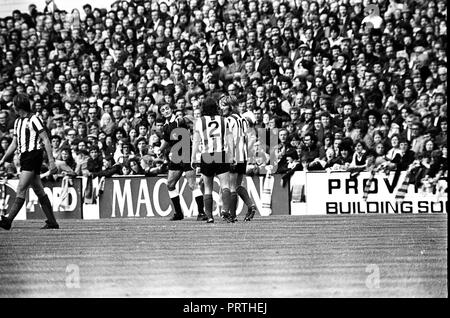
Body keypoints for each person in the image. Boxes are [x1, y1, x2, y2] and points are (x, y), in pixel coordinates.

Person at [0, 94, 59, 230]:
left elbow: (45, 139)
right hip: (25, 156)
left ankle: (8, 221)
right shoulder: (17, 122)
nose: (13, 108)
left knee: (21, 188)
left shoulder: (34, 119)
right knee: (38, 189)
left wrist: (51, 161)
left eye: (14, 105)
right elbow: (14, 143)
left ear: (18, 106)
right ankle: (52, 222)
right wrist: (3, 159)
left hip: (33, 155)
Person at [158, 103, 206, 221]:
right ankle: (179, 213)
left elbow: (195, 123)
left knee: (192, 184)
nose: (166, 111)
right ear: (162, 113)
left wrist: (197, 137)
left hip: (186, 154)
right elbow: (166, 140)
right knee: (170, 184)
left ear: (171, 109)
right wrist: (160, 149)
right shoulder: (165, 126)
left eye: (167, 108)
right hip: (175, 156)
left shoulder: (180, 120)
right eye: (163, 110)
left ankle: (201, 213)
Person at [191, 98, 234, 224]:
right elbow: (230, 139)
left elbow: (196, 141)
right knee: (225, 185)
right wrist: (232, 156)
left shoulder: (200, 121)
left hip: (206, 156)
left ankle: (209, 216)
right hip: (221, 154)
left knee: (208, 188)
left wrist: (193, 158)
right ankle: (225, 211)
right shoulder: (223, 120)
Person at [219, 95, 257, 222]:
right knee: (237, 185)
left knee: (231, 187)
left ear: (230, 106)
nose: (221, 108)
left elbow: (230, 140)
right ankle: (251, 206)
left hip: (234, 155)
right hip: (243, 155)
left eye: (223, 105)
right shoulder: (242, 119)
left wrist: (231, 156)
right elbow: (247, 138)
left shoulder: (229, 120)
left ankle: (232, 215)